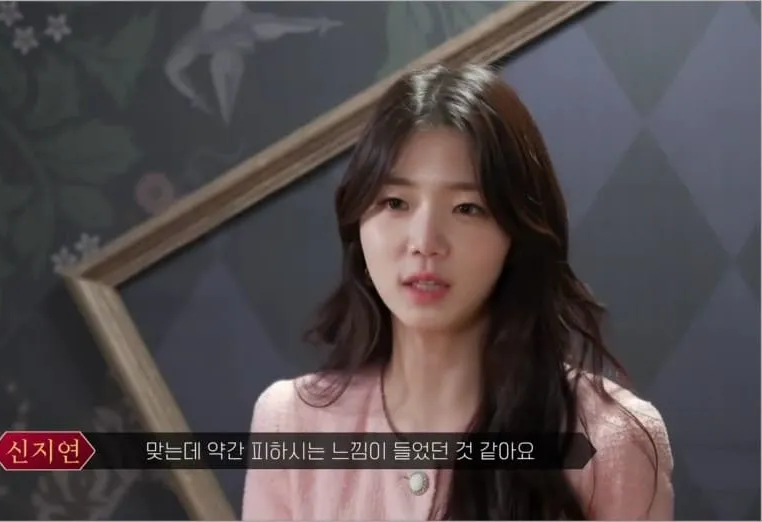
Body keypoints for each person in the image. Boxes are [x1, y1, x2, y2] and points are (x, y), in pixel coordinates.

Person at [240, 63, 674, 520]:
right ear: (358, 223)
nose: (425, 241)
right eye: (395, 203)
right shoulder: (291, 423)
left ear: (517, 233)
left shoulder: (609, 440)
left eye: (467, 208)